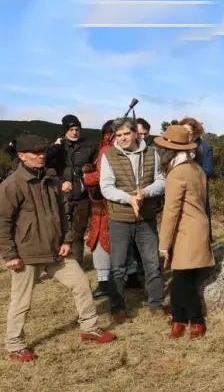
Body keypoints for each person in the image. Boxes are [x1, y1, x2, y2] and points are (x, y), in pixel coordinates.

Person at [0, 135, 116, 363]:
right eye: (35, 153)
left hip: (57, 251)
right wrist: (10, 255)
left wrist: (66, 241)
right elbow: (2, 222)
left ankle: (89, 328)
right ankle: (14, 345)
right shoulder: (11, 185)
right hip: (28, 254)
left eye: (43, 151)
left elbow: (64, 216)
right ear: (22, 156)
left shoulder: (52, 182)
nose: (41, 155)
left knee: (82, 284)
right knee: (21, 301)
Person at [99, 117, 167, 323]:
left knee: (152, 263)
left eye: (126, 134)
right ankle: (117, 307)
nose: (122, 138)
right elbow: (106, 187)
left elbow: (162, 181)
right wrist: (129, 198)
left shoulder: (153, 153)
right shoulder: (109, 155)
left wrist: (145, 192)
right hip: (120, 218)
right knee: (118, 266)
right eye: (118, 135)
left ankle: (156, 304)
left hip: (146, 217)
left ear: (135, 133)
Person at [155, 125, 215, 339]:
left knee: (182, 282)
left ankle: (196, 321)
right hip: (198, 226)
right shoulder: (196, 168)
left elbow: (171, 211)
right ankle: (178, 319)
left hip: (185, 231)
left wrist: (163, 244)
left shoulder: (177, 173)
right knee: (183, 278)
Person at [83, 120, 140, 299]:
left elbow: (101, 177)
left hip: (107, 204)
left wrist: (86, 177)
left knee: (102, 242)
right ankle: (131, 277)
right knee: (122, 241)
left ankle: (105, 283)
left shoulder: (107, 150)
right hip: (119, 200)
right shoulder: (116, 149)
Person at [48, 114, 97, 268]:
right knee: (59, 229)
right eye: (71, 129)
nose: (75, 132)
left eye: (77, 129)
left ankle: (77, 264)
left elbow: (97, 165)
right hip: (61, 194)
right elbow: (45, 165)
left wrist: (89, 171)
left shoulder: (88, 146)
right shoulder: (57, 146)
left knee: (79, 230)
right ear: (65, 130)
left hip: (82, 195)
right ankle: (58, 263)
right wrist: (55, 147)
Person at [179, 117, 214, 241]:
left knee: (200, 229)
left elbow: (208, 171)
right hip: (179, 192)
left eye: (188, 131)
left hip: (198, 192)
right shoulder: (175, 146)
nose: (185, 134)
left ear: (195, 131)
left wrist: (188, 173)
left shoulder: (205, 148)